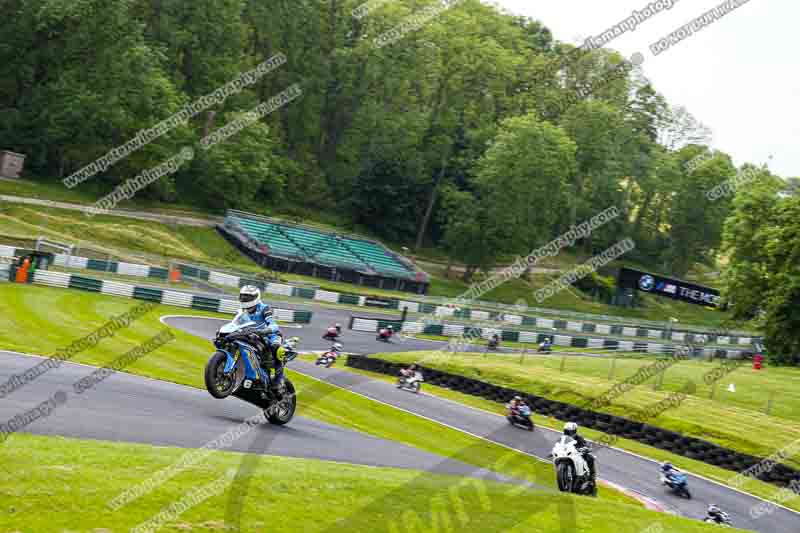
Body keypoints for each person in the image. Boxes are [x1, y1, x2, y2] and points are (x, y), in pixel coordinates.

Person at [234, 286, 284, 393]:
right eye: (243, 297)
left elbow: (273, 324)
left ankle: (278, 381)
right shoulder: (241, 311)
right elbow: (235, 324)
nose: (244, 299)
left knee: (276, 349)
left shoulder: (265, 308)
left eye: (247, 297)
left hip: (271, 335)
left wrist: (265, 331)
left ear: (256, 297)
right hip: (253, 335)